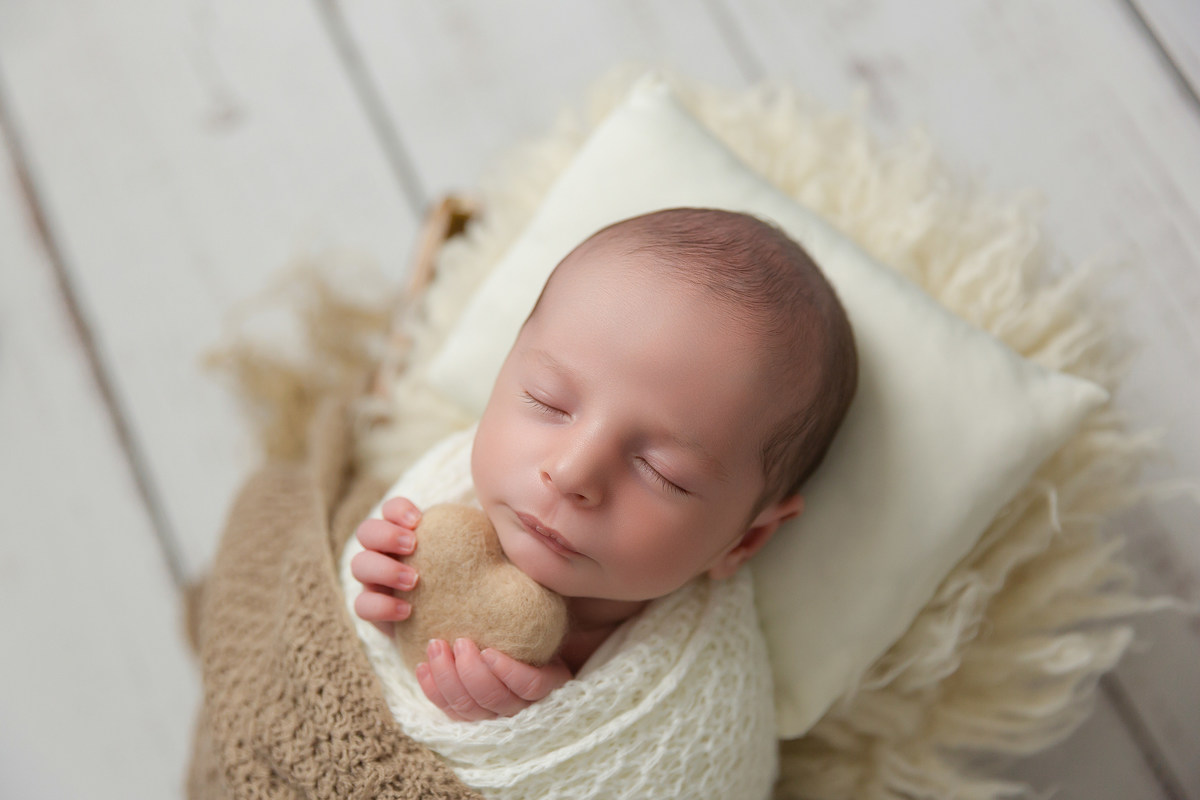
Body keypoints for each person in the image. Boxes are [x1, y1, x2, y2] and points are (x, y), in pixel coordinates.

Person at [350, 207, 858, 722]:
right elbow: (350, 632)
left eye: (661, 471)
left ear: (744, 540)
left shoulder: (685, 690)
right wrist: (386, 602)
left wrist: (549, 716)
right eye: (548, 402)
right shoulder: (436, 508)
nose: (571, 474)